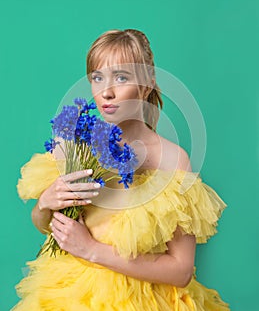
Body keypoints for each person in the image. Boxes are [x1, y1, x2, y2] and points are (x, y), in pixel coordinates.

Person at [13, 28, 230, 310]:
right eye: (97, 78)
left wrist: (91, 250)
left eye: (122, 77)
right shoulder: (75, 144)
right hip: (70, 294)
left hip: (144, 301)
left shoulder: (171, 160)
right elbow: (47, 226)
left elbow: (181, 271)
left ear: (147, 84)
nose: (107, 92)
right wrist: (45, 204)